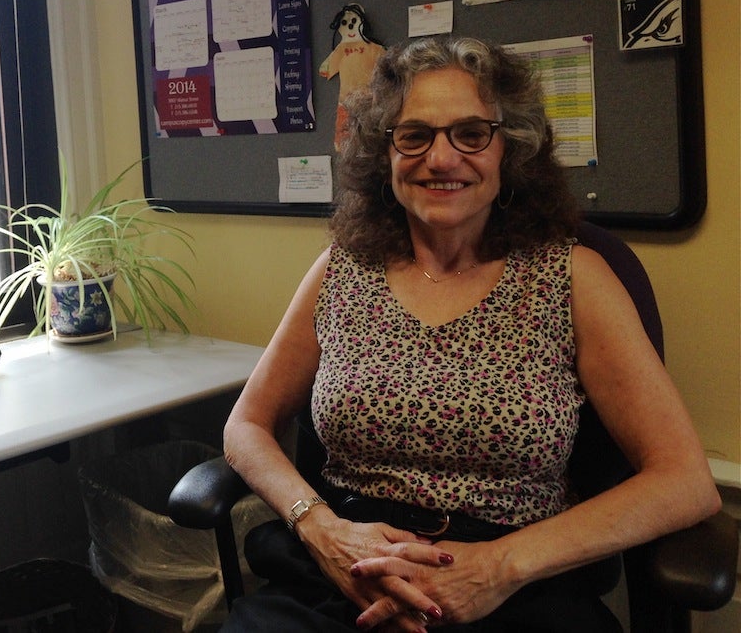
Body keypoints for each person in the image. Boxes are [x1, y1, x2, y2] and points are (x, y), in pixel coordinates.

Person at [220, 36, 720, 632]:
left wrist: (498, 568)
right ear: (385, 153)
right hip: (345, 573)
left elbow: (684, 481)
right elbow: (245, 426)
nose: (441, 158)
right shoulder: (341, 269)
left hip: (517, 582)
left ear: (509, 150)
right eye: (414, 135)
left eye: (471, 133)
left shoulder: (572, 278)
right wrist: (320, 527)